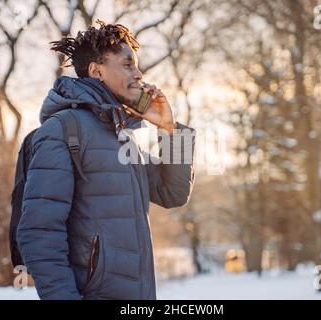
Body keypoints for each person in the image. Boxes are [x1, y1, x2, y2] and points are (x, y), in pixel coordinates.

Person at [16, 20, 195, 300]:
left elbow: (173, 193)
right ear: (96, 71)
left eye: (136, 65)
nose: (139, 74)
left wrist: (169, 129)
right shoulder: (62, 130)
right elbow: (39, 233)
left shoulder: (122, 135)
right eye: (127, 65)